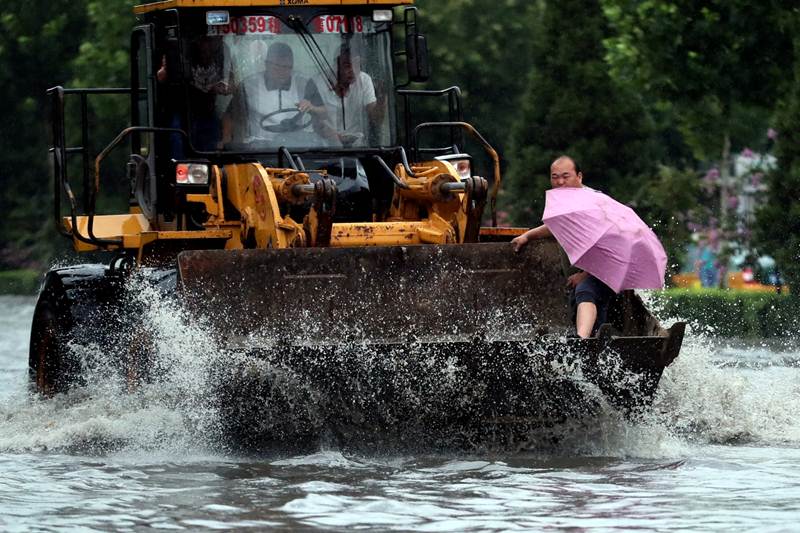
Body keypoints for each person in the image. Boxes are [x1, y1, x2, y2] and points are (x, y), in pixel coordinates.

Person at [511, 155, 615, 339]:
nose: (559, 182)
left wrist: (584, 275)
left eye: (565, 176)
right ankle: (590, 343)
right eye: (554, 177)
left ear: (579, 177)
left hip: (603, 272)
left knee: (585, 290)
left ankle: (581, 342)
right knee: (581, 304)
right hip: (581, 277)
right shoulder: (565, 204)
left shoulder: (593, 203)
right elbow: (556, 225)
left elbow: (608, 246)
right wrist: (527, 236)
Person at [222, 42, 323, 145]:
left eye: (287, 67)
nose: (282, 72)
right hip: (260, 145)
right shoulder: (249, 85)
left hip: (297, 144)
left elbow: (324, 112)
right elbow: (230, 116)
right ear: (266, 64)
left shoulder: (304, 83)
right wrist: (226, 139)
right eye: (277, 67)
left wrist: (312, 108)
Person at [305, 45, 386, 147]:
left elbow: (375, 119)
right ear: (336, 66)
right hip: (323, 147)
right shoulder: (317, 82)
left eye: (357, 65)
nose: (353, 70)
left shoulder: (364, 80)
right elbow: (317, 123)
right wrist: (335, 138)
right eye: (347, 65)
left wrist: (382, 98)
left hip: (357, 146)